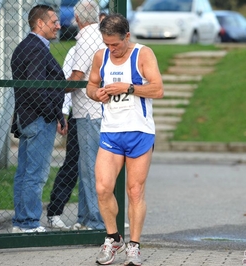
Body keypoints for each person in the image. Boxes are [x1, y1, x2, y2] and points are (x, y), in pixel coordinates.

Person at [86, 13, 164, 265]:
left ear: (127, 36)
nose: (112, 49)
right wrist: (96, 94)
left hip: (139, 132)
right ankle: (113, 237)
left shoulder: (143, 54)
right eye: (107, 44)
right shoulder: (101, 56)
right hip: (111, 132)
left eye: (116, 44)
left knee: (135, 191)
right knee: (102, 187)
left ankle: (134, 245)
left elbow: (158, 89)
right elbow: (90, 85)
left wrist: (128, 88)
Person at [10, 4, 67, 233]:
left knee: (24, 172)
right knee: (35, 174)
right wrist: (53, 114)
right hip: (38, 120)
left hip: (28, 118)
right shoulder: (35, 49)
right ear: (40, 23)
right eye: (53, 22)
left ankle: (21, 221)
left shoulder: (26, 46)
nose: (58, 26)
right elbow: (35, 89)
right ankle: (29, 222)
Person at [65, 0, 106, 230]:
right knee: (87, 165)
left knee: (90, 168)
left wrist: (53, 87)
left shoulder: (85, 39)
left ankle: (96, 221)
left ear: (78, 18)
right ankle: (84, 217)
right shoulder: (99, 36)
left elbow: (77, 77)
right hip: (95, 111)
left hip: (88, 113)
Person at [46, 47, 79, 230]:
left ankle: (106, 216)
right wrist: (64, 114)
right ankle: (55, 212)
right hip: (79, 115)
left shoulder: (112, 49)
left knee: (107, 168)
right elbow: (66, 81)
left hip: (107, 117)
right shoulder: (77, 49)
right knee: (72, 164)